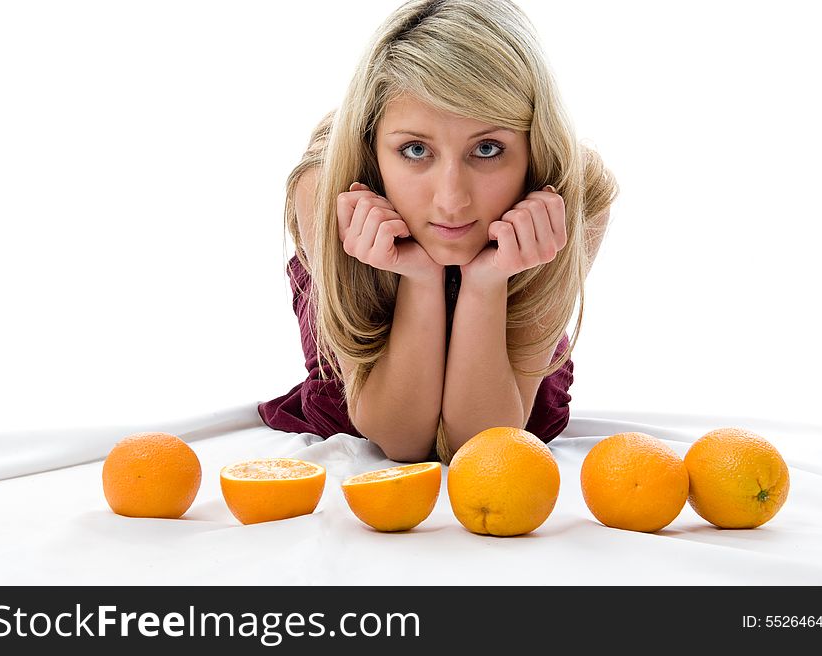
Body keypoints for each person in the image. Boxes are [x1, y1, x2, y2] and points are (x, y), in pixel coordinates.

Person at [260, 0, 619, 464]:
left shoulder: (576, 198)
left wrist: (487, 282)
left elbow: (482, 442)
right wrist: (419, 276)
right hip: (369, 413)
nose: (451, 200)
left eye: (487, 148)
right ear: (371, 143)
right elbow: (401, 440)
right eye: (414, 150)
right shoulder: (325, 191)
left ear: (534, 145)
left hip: (505, 421)